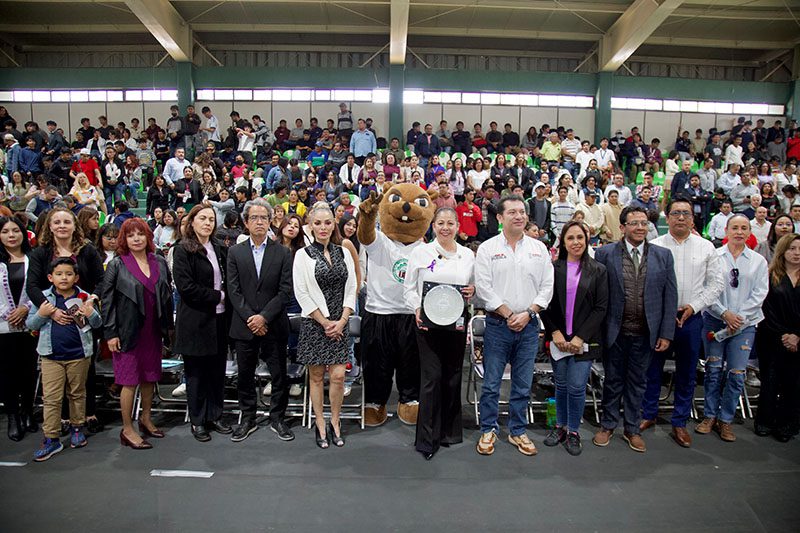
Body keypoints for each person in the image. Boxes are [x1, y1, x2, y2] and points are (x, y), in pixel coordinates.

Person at [640, 199, 725, 447]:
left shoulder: (706, 247)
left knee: (687, 372)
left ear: (692, 218)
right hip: (659, 319)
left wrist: (694, 306)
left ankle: (679, 421)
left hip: (691, 317)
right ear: (667, 217)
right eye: (675, 213)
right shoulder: (654, 246)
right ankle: (648, 413)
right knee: (652, 369)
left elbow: (716, 284)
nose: (680, 217)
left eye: (685, 213)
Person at [592, 206, 677, 453]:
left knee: (638, 382)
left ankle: (632, 428)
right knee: (612, 380)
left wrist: (666, 332)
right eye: (634, 223)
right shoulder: (605, 253)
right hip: (614, 331)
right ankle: (608, 424)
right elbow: (598, 295)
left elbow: (670, 296)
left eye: (644, 223)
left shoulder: (663, 255)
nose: (640, 227)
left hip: (646, 332)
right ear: (622, 227)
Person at [474, 195, 554, 456]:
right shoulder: (487, 249)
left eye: (522, 212)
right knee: (491, 383)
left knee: (522, 384)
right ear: (500, 217)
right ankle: (488, 428)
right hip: (498, 325)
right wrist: (509, 314)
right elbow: (483, 287)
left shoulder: (538, 248)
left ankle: (518, 430)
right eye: (512, 212)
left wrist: (529, 313)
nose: (519, 216)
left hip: (529, 326)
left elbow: (547, 287)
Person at [404, 207, 475, 460]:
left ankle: (449, 433)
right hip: (427, 325)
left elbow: (474, 286)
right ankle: (427, 440)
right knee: (431, 378)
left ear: (458, 226)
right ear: (433, 226)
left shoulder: (468, 255)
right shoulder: (420, 252)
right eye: (441, 223)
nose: (445, 228)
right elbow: (409, 288)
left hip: (456, 323)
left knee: (453, 376)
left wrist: (473, 290)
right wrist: (417, 308)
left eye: (450, 223)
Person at [26, 207, 106, 433]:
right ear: (50, 226)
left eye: (66, 222)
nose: (62, 226)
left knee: (85, 368)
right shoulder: (40, 253)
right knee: (56, 370)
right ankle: (62, 417)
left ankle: (87, 414)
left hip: (82, 315)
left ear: (74, 226)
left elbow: (101, 281)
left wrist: (91, 300)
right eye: (57, 222)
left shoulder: (87, 250)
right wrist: (50, 311)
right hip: (52, 317)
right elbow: (32, 285)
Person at [101, 218, 173, 450]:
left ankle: (146, 418)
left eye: (140, 234)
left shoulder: (158, 261)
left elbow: (166, 295)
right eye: (130, 235)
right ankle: (127, 428)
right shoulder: (117, 264)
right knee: (129, 381)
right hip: (127, 333)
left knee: (150, 377)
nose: (136, 239)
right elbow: (107, 301)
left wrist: (169, 329)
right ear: (124, 239)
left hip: (153, 330)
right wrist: (111, 333)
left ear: (148, 236)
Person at [227, 199, 294, 442]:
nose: (259, 222)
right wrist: (251, 318)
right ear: (245, 222)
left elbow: (285, 291)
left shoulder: (283, 252)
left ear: (270, 221)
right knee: (245, 375)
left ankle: (277, 418)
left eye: (263, 218)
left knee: (279, 375)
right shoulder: (235, 252)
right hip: (244, 325)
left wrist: (263, 317)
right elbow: (233, 290)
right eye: (254, 218)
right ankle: (248, 418)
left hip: (273, 324)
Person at [697, 214, 768, 443]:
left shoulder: (758, 261)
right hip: (715, 320)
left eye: (744, 228)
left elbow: (760, 292)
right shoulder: (714, 256)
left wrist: (739, 318)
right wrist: (724, 313)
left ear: (749, 232)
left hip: (745, 325)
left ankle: (725, 419)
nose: (739, 232)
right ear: (726, 230)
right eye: (735, 227)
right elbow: (706, 288)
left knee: (737, 374)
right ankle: (709, 416)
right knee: (713, 370)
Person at [540, 221, 608, 455]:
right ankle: (560, 426)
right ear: (563, 241)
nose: (576, 242)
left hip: (584, 341)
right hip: (558, 339)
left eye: (580, 237)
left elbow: (601, 308)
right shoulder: (552, 269)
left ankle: (573, 431)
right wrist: (554, 332)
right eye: (570, 238)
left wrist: (580, 337)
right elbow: (544, 303)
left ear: (587, 240)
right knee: (561, 385)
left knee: (577, 387)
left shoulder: (598, 270)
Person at [293, 202, 357, 448]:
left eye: (327, 222)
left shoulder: (344, 252)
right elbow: (301, 292)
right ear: (310, 225)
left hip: (340, 324)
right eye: (317, 223)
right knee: (317, 377)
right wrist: (324, 322)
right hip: (314, 324)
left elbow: (352, 287)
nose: (323, 227)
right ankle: (320, 422)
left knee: (338, 377)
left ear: (334, 225)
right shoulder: (302, 255)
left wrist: (342, 321)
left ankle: (335, 421)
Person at [26, 257, 102, 461]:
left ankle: (77, 428)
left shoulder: (85, 297)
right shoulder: (44, 298)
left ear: (76, 277)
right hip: (51, 356)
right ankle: (51, 438)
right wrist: (42, 314)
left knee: (77, 393)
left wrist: (91, 313)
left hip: (79, 355)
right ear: (50, 277)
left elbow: (97, 324)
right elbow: (31, 324)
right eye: (59, 274)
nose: (64, 278)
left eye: (69, 274)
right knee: (51, 398)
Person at [172, 205, 232, 442]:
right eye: (203, 218)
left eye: (211, 219)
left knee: (217, 372)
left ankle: (215, 416)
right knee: (196, 375)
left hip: (219, 319)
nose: (207, 223)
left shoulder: (219, 247)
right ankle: (197, 421)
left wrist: (225, 297)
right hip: (195, 321)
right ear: (192, 222)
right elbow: (186, 288)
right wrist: (218, 296)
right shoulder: (182, 249)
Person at [755, 233, 800, 442]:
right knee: (770, 381)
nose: (797, 253)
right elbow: (766, 309)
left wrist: (796, 336)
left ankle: (787, 425)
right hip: (772, 337)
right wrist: (784, 335)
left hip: (798, 341)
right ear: (783, 250)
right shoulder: (770, 275)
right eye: (792, 248)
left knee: (794, 383)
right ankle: (765, 421)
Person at [0, 216, 37, 441]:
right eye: (5, 231)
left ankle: (28, 412)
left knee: (28, 371)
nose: (11, 235)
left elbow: (41, 288)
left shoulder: (33, 259)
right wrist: (9, 313)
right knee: (6, 372)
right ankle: (13, 416)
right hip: (3, 327)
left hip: (29, 324)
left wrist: (25, 309)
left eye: (15, 230)